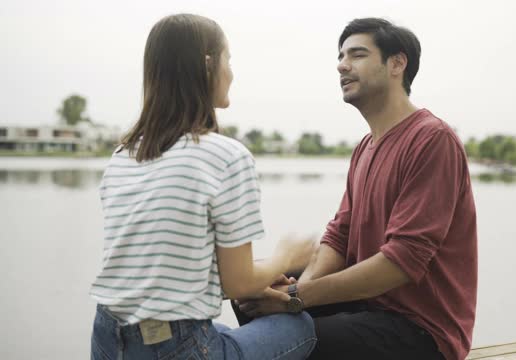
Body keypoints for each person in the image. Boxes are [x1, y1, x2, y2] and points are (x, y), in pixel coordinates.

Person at [235, 18, 478, 360]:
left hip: (421, 330)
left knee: (284, 330)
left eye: (358, 55)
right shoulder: (366, 146)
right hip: (371, 306)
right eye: (341, 56)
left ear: (397, 63)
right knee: (251, 292)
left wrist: (296, 299)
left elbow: (402, 262)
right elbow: (340, 236)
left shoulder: (432, 140)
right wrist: (291, 289)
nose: (342, 65)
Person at [89, 14, 316, 360]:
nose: (232, 73)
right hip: (174, 346)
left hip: (108, 338)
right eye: (229, 59)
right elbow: (240, 284)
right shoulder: (226, 156)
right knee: (298, 328)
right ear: (208, 65)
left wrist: (261, 280)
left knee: (221, 330)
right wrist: (287, 255)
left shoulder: (123, 155)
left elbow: (164, 273)